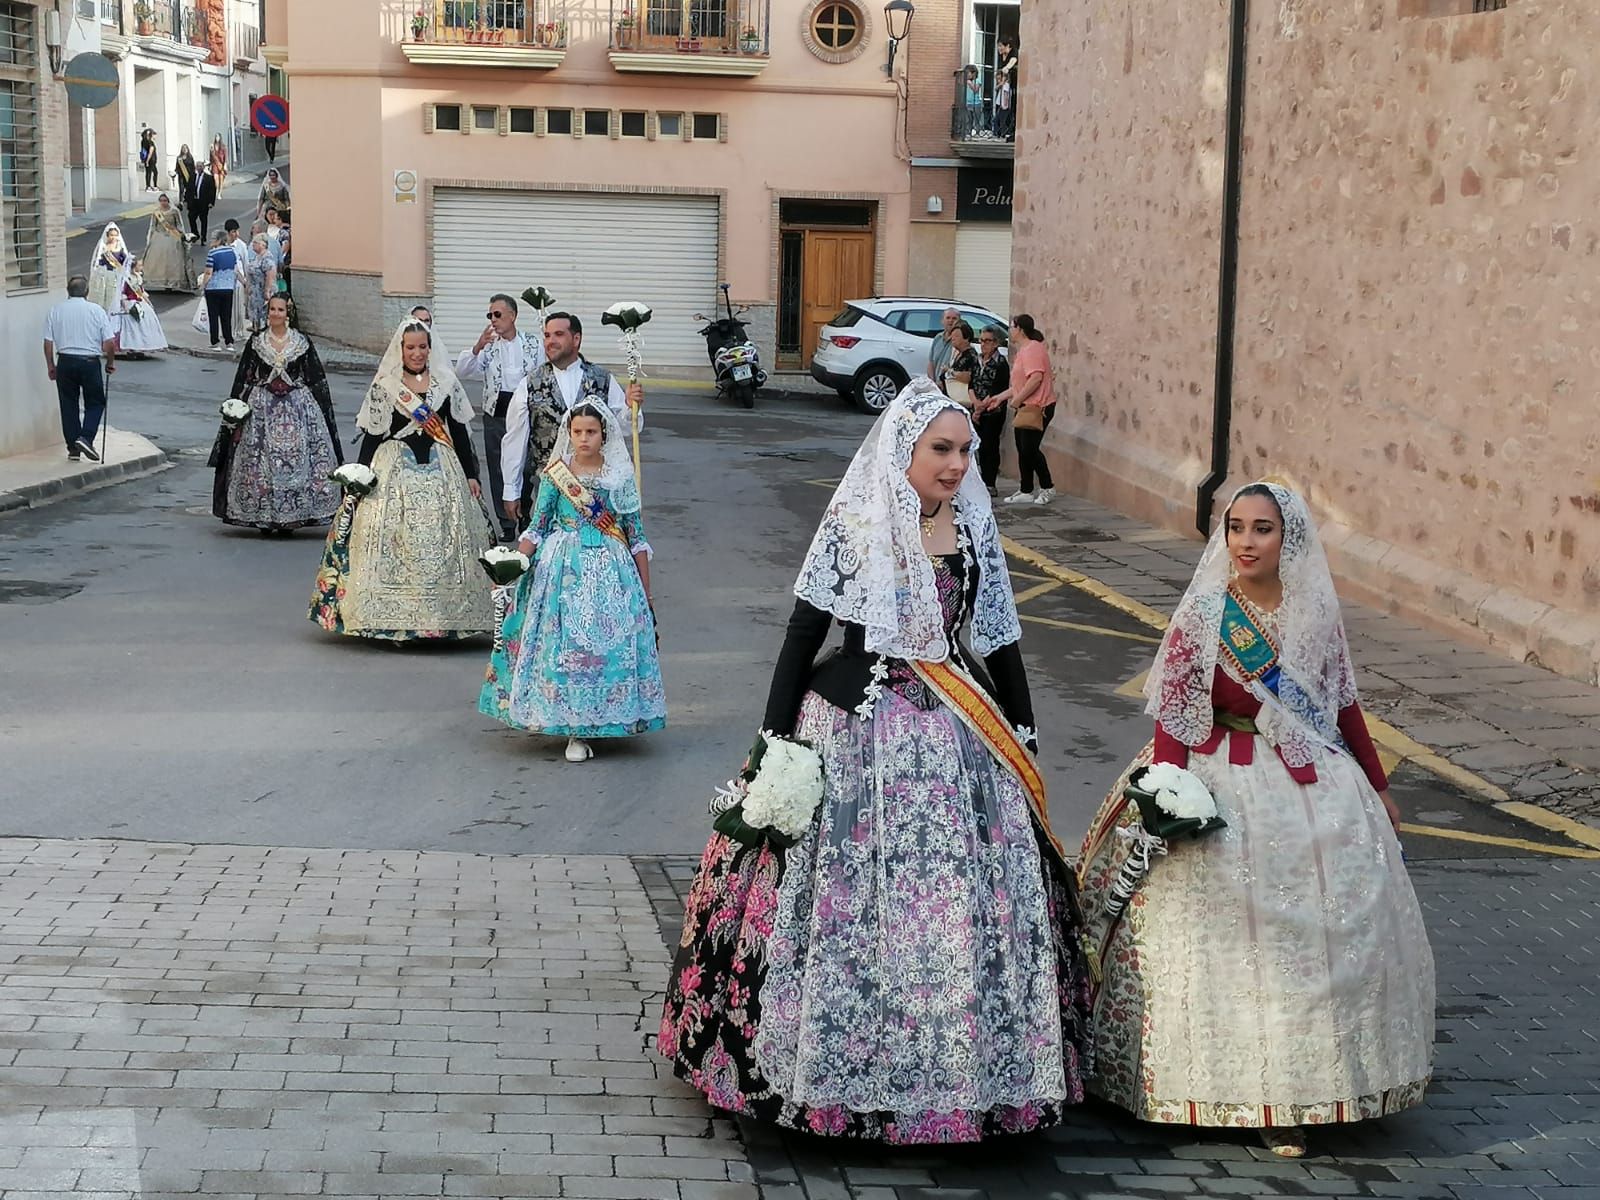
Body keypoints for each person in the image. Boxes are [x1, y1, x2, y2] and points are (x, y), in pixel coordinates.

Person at [659, 379, 1093, 1143]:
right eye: (942, 450)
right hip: (857, 731)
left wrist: (1021, 723)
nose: (958, 465)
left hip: (958, 731)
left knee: (959, 908)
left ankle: (961, 1079)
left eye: (964, 450)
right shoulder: (858, 521)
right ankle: (830, 1074)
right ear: (904, 451)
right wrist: (772, 745)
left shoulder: (973, 524)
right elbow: (803, 632)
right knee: (844, 904)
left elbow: (996, 632)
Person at [1076, 482, 1435, 1158]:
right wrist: (1166, 794)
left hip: (1307, 779)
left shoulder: (1315, 614)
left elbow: (1345, 705)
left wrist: (1379, 786)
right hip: (1216, 776)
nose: (1246, 541)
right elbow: (1179, 712)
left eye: (1262, 529)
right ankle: (1195, 1081)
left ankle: (1300, 1092)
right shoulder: (1205, 612)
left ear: (1287, 539)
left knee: (1315, 937)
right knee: (1214, 936)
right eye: (1236, 527)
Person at [479, 403, 666, 763]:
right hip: (562, 570)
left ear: (604, 435)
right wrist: (515, 564)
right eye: (577, 432)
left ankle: (608, 718)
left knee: (606, 648)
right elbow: (538, 527)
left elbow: (637, 537)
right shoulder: (556, 476)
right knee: (565, 648)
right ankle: (572, 726)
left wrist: (647, 592)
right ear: (569, 434)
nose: (583, 438)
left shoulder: (620, 478)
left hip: (613, 570)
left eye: (591, 432)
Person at [308, 317, 494, 642]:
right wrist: (359, 477)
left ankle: (442, 618)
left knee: (446, 539)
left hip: (442, 468)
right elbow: (372, 437)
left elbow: (460, 435)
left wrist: (471, 474)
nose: (417, 353)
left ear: (430, 348)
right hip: (392, 469)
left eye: (423, 347)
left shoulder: (445, 383)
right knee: (392, 538)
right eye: (411, 347)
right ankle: (388, 620)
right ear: (400, 349)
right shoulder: (386, 385)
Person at [210, 295, 343, 533]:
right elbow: (245, 376)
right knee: (260, 462)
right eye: (272, 309)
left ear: (288, 313)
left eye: (280, 309)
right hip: (262, 408)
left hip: (297, 408)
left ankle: (293, 515)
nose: (275, 313)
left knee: (297, 458)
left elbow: (315, 378)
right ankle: (264, 514)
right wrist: (237, 407)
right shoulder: (257, 341)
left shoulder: (301, 342)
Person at [500, 312, 643, 533]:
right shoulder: (530, 383)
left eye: (558, 334)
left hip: (596, 489)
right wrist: (511, 489)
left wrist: (630, 406)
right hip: (549, 486)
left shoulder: (602, 378)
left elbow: (626, 427)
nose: (550, 341)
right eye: (547, 335)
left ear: (576, 339)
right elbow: (514, 439)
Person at [455, 294, 544, 541]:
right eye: (490, 315)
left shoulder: (533, 343)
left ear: (512, 316)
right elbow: (462, 371)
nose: (493, 320)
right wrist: (478, 346)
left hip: (526, 412)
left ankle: (524, 514)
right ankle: (505, 523)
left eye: (497, 314)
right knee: (497, 467)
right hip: (496, 413)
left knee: (526, 466)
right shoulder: (489, 346)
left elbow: (545, 372)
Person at [42, 276, 117, 464]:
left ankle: (73, 448)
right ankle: (86, 437)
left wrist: (51, 365)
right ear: (86, 292)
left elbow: (48, 343)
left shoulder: (55, 311)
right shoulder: (96, 311)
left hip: (65, 361)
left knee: (68, 404)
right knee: (96, 402)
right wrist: (110, 362)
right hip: (89, 362)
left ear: (68, 291)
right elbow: (109, 342)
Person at [989, 313, 1056, 506]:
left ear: (1020, 329)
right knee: (1022, 447)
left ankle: (1047, 487)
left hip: (1038, 406)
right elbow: (1020, 384)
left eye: (1012, 327)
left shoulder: (1033, 349)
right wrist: (1000, 397)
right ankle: (1026, 489)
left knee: (1030, 449)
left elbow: (1036, 378)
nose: (1010, 330)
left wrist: (1017, 400)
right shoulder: (1023, 351)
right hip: (1025, 406)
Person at [970, 325, 1011, 494]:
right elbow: (971, 384)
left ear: (996, 343)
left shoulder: (1000, 363)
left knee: (990, 445)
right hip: (977, 407)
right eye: (981, 340)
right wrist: (975, 403)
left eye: (987, 341)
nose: (983, 344)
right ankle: (979, 480)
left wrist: (980, 409)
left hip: (993, 410)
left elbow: (997, 388)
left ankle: (990, 482)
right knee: (978, 446)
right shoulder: (977, 360)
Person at [115, 259, 168, 357]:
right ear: (133, 267)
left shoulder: (138, 277)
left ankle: (143, 346)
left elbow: (141, 291)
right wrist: (125, 306)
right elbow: (122, 293)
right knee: (132, 323)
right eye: (140, 265)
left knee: (147, 317)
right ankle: (131, 347)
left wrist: (148, 302)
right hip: (129, 302)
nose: (141, 267)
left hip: (139, 301)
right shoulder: (126, 279)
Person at [142, 194, 196, 293]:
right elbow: (153, 226)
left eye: (165, 200)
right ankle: (160, 281)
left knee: (173, 261)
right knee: (158, 261)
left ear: (168, 201)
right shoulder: (156, 213)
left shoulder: (174, 211)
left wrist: (182, 235)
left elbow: (179, 225)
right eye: (161, 200)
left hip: (173, 237)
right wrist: (150, 238)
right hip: (159, 237)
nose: (163, 202)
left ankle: (171, 284)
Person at [198, 230, 239, 349]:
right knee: (226, 316)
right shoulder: (231, 251)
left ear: (218, 240)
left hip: (214, 288)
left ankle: (215, 342)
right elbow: (235, 270)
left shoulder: (212, 253)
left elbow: (208, 272)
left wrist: (203, 286)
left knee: (214, 316)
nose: (211, 241)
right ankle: (229, 342)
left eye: (212, 238)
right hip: (228, 288)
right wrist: (242, 282)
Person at [87, 221, 132, 324]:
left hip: (115, 277)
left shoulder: (120, 249)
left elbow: (124, 264)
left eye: (115, 235)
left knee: (113, 299)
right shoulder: (103, 247)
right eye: (111, 235)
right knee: (101, 299)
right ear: (107, 235)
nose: (113, 237)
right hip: (103, 277)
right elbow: (97, 262)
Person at [241, 234, 277, 334]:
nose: (253, 245)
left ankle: (261, 330)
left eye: (255, 243)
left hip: (262, 289)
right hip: (255, 290)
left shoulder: (267, 258)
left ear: (262, 244)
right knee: (254, 310)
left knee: (262, 311)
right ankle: (255, 327)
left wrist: (267, 290)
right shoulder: (258, 257)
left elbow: (270, 275)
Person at [940, 320, 978, 407]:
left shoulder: (970, 355)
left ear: (966, 338)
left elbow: (968, 377)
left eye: (956, 336)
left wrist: (949, 371)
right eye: (952, 336)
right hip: (951, 398)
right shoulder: (958, 354)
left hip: (961, 401)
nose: (953, 338)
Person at [226, 220, 252, 343]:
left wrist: (247, 281)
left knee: (238, 308)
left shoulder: (241, 245)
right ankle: (228, 331)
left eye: (237, 231)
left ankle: (238, 331)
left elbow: (246, 263)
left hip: (238, 282)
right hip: (225, 281)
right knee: (228, 308)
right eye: (233, 232)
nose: (236, 234)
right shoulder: (224, 244)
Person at [925, 306, 959, 382]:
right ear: (942, 321)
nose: (951, 321)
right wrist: (933, 382)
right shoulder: (937, 338)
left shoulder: (960, 341)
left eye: (954, 318)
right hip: (936, 386)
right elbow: (931, 363)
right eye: (948, 318)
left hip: (950, 386)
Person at [173, 143, 198, 218]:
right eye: (183, 148)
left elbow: (193, 167)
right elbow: (177, 167)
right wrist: (176, 172)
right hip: (181, 176)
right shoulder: (179, 158)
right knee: (181, 189)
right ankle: (180, 202)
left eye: (186, 148)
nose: (184, 150)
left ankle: (189, 201)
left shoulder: (190, 157)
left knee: (189, 189)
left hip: (189, 176)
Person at [963, 65, 984, 136]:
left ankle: (977, 133)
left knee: (976, 120)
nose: (967, 75)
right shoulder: (965, 80)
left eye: (968, 73)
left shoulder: (977, 80)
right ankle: (968, 133)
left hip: (976, 103)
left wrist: (970, 83)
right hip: (967, 102)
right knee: (968, 120)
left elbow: (976, 90)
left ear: (973, 73)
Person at [993, 69, 1014, 140]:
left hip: (1003, 105)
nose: (998, 81)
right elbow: (996, 88)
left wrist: (1004, 105)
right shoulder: (1003, 85)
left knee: (999, 120)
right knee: (999, 120)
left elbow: (1006, 95)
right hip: (1001, 104)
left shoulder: (1006, 85)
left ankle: (1002, 133)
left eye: (999, 79)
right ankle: (1001, 133)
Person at [139, 127, 159, 192]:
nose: (155, 136)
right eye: (153, 134)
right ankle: (153, 186)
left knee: (148, 172)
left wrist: (145, 160)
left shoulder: (143, 141)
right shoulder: (150, 142)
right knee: (155, 172)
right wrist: (148, 160)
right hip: (151, 160)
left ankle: (148, 186)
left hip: (146, 159)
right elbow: (150, 151)